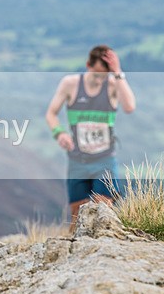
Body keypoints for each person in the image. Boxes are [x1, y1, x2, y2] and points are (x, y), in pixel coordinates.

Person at [45, 45, 136, 231]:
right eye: (96, 74)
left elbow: (129, 107)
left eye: (104, 75)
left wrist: (117, 73)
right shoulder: (70, 84)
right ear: (88, 65)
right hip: (77, 159)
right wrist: (59, 133)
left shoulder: (112, 85)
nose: (99, 79)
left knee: (104, 212)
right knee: (77, 215)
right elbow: (51, 114)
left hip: (104, 159)